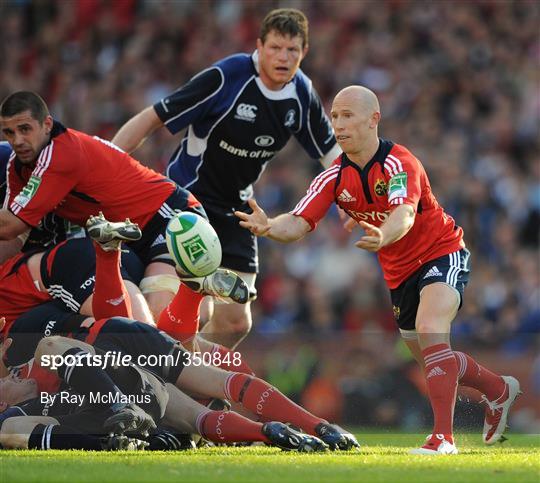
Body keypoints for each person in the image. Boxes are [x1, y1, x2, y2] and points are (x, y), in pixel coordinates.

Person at [236, 85, 521, 455]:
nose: (338, 124)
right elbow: (299, 221)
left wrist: (382, 233)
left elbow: (403, 214)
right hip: (399, 273)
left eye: (348, 115)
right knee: (433, 358)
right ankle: (498, 389)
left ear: (374, 119)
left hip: (441, 253)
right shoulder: (333, 177)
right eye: (335, 116)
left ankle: (442, 439)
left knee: (431, 330)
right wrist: (270, 226)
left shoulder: (400, 163)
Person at [112, 8, 341, 348]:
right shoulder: (227, 76)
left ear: (304, 52)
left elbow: (333, 156)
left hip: (237, 207)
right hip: (189, 199)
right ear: (259, 46)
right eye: (276, 47)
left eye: (292, 50)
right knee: (198, 307)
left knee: (236, 322)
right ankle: (165, 373)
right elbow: (153, 117)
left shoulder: (301, 94)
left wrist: (358, 199)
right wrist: (106, 160)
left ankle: (191, 382)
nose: (283, 57)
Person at [0, 91, 248, 321]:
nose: (18, 140)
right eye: (9, 133)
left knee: (156, 319)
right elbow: (12, 231)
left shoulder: (61, 155)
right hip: (126, 236)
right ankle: (197, 290)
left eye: (25, 129)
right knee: (148, 330)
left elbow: (10, 226)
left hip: (167, 217)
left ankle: (195, 291)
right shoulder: (18, 166)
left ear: (47, 124)